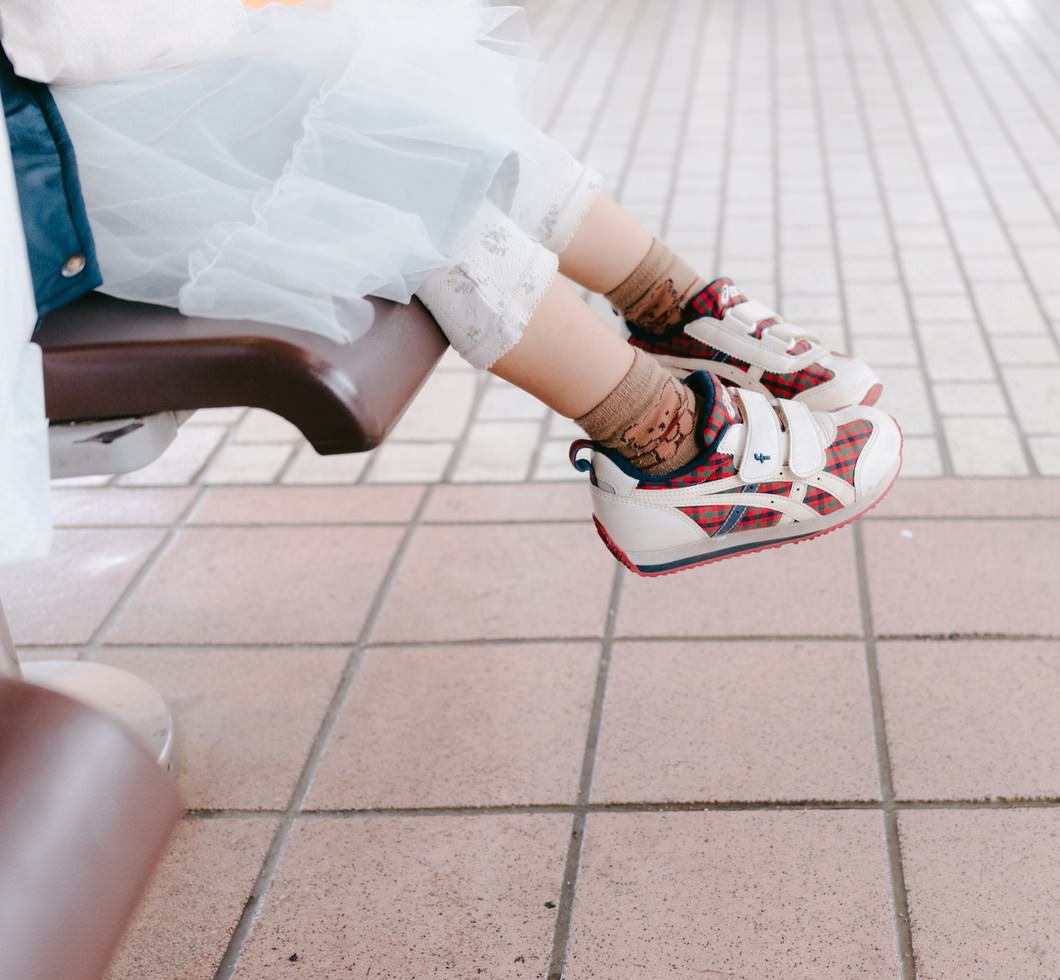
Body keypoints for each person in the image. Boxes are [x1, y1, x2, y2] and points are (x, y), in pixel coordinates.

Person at [31, 0, 902, 575]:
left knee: (386, 81)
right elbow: (68, 30)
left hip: (84, 101)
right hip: (43, 169)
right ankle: (669, 447)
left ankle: (675, 311)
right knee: (364, 148)